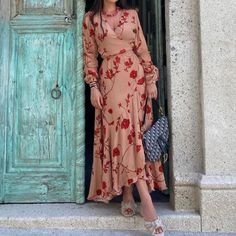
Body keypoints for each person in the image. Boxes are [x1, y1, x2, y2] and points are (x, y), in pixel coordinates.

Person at [82, 0, 168, 235]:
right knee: (124, 138)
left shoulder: (131, 14)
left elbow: (142, 47)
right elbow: (89, 55)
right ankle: (147, 206)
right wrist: (93, 86)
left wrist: (150, 80)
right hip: (110, 83)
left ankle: (129, 194)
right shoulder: (90, 19)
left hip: (136, 80)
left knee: (134, 137)